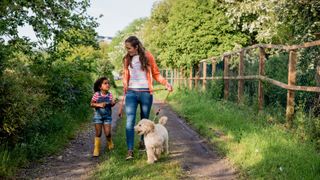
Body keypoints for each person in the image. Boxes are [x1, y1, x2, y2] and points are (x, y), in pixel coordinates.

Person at [122, 36, 173, 160]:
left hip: (146, 93)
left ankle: (142, 142)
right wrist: (124, 96)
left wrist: (166, 83)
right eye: (126, 48)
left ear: (136, 46)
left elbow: (156, 73)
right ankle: (130, 150)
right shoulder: (127, 59)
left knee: (144, 121)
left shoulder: (148, 56)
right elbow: (125, 78)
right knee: (130, 121)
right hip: (131, 93)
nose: (128, 50)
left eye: (129, 48)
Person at [90, 77, 117, 157]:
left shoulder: (110, 95)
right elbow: (91, 104)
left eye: (108, 83)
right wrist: (99, 104)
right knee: (98, 133)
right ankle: (96, 149)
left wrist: (113, 103)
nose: (107, 84)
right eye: (105, 83)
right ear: (100, 86)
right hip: (98, 116)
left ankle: (110, 142)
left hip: (107, 117)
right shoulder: (96, 94)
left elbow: (111, 105)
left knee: (108, 133)